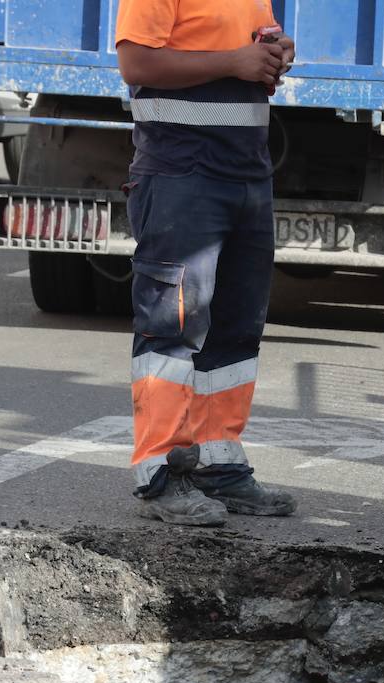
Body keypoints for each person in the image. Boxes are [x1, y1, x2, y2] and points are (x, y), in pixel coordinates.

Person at [115, 0, 298, 526]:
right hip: (182, 172)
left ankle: (221, 465)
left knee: (237, 330)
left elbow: (245, 49)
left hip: (245, 172)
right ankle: (162, 473)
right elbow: (137, 64)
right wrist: (234, 62)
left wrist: (272, 54)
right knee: (171, 326)